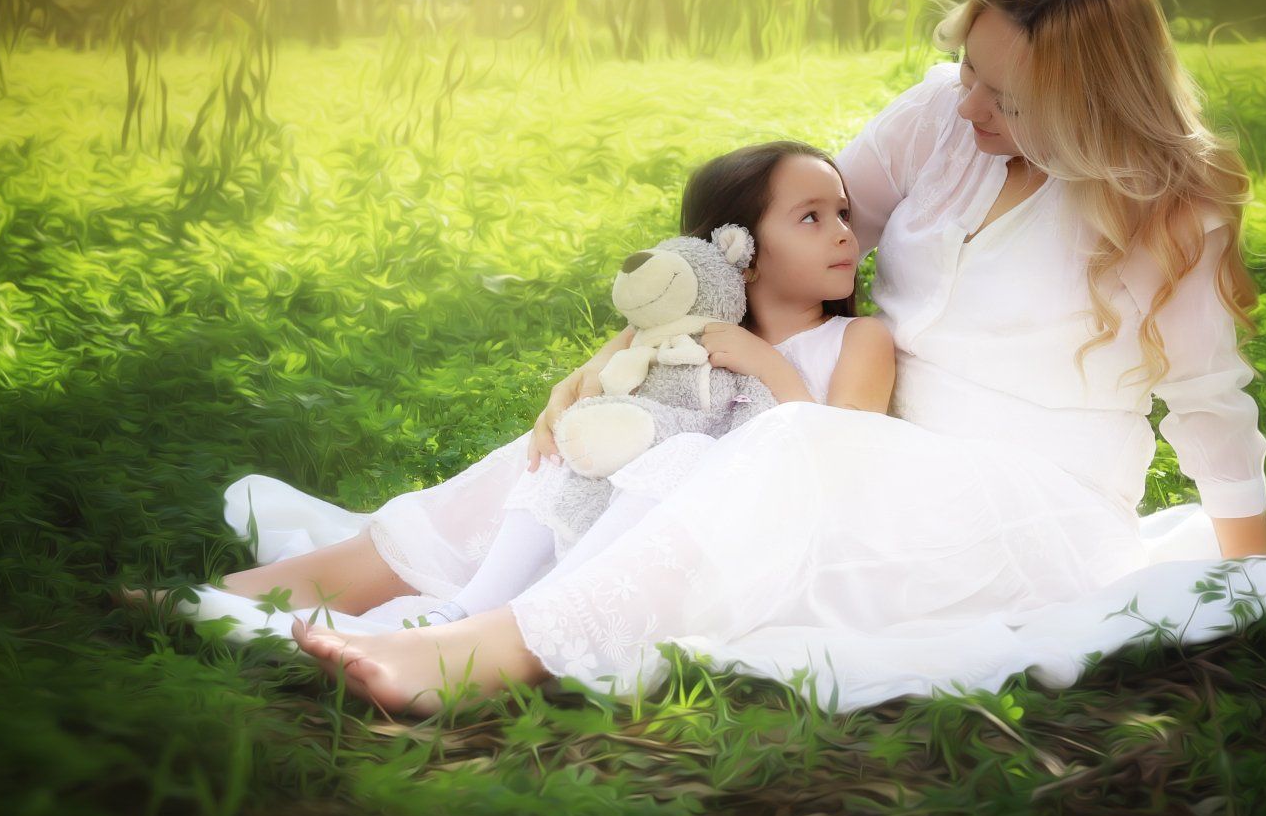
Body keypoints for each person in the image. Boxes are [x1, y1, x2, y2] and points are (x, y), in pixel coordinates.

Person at [280, 0, 1266, 716]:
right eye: (967, 67)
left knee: (790, 442)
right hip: (865, 435)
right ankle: (315, 579)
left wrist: (1259, 579)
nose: (967, 102)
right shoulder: (942, 118)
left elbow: (1209, 406)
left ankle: (483, 652)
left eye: (1005, 98)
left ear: (1086, 105)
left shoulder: (1169, 209)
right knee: (637, 421)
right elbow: (777, 245)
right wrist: (616, 357)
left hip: (1030, 507)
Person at [334, 141, 899, 631]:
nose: (845, 235)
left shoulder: (859, 339)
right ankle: (472, 606)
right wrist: (564, 406)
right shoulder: (679, 329)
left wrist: (769, 365)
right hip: (638, 522)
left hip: (755, 533)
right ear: (741, 253)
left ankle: (540, 613)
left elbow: (846, 459)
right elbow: (589, 383)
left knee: (685, 450)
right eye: (812, 218)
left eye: (844, 213)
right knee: (581, 438)